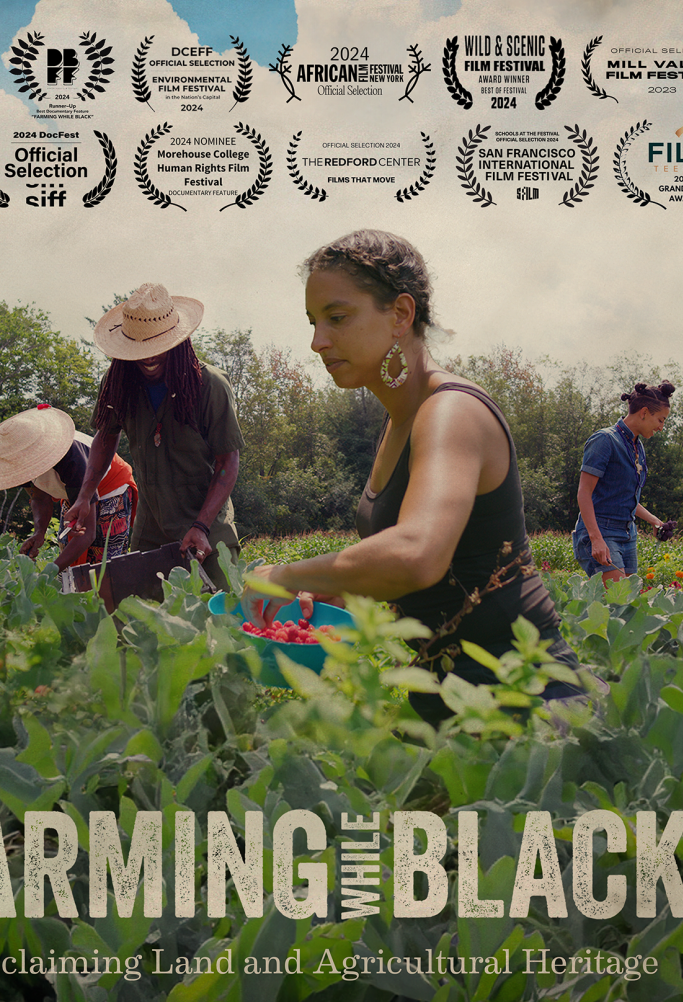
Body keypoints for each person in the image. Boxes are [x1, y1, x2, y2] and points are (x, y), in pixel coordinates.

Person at [244, 228, 585, 724]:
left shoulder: (450, 412)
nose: (317, 341)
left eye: (337, 318)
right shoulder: (399, 421)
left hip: (528, 704)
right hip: (451, 701)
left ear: (401, 314)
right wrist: (353, 591)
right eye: (313, 321)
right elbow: (448, 572)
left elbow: (417, 554)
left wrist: (284, 576)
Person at [65, 282, 242, 591]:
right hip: (151, 527)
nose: (149, 358)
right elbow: (105, 438)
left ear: (179, 341)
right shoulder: (118, 382)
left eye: (158, 347)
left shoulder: (210, 386)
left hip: (205, 526)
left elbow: (228, 460)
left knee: (219, 620)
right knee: (147, 622)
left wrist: (201, 526)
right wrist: (84, 494)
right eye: (140, 349)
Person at [0, 404, 137, 572]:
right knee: (67, 547)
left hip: (110, 486)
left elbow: (88, 533)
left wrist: (50, 571)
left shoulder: (71, 457)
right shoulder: (18, 463)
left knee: (101, 562)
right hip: (73, 492)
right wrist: (39, 532)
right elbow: (39, 497)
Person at [572, 382, 677, 583]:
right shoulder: (604, 440)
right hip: (601, 532)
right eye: (661, 420)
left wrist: (654, 520)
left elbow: (624, 497)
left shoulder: (638, 447)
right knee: (616, 603)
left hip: (628, 534)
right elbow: (584, 493)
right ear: (644, 412)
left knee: (627, 607)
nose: (662, 427)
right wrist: (596, 539)